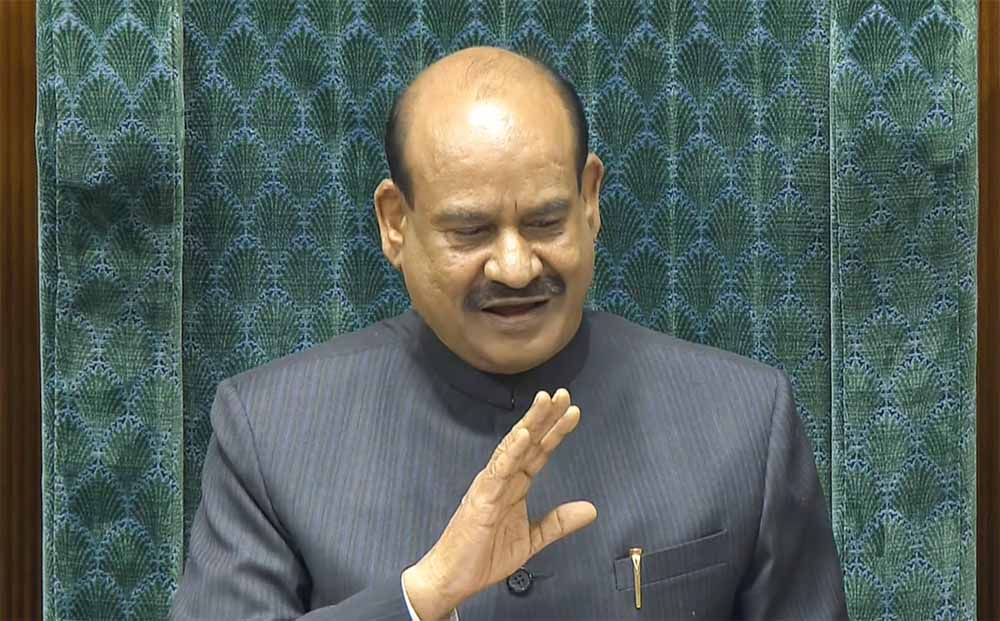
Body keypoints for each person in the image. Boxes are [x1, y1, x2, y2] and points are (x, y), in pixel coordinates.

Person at [170, 46, 847, 620]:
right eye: (470, 231)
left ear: (590, 199)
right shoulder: (272, 432)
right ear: (395, 223)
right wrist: (420, 598)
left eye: (546, 222)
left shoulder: (743, 420)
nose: (517, 267)